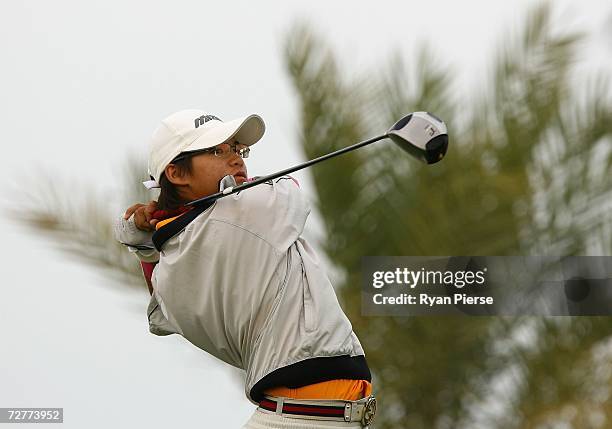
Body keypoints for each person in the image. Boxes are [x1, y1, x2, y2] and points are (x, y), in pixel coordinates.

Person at [113, 109, 377, 428]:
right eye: (218, 150)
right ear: (177, 173)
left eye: (238, 150)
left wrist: (145, 235)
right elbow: (290, 190)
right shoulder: (250, 209)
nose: (237, 160)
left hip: (293, 415)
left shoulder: (169, 273)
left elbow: (160, 306)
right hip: (305, 416)